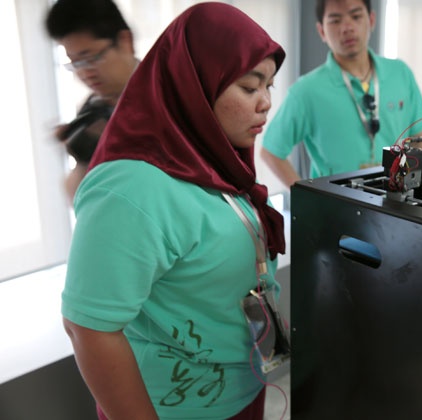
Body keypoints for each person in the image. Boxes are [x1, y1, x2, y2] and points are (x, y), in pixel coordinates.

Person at [60, 3, 286, 419]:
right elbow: (89, 328)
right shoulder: (132, 188)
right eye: (249, 87)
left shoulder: (216, 161)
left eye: (269, 86)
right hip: (174, 407)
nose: (266, 103)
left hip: (241, 389)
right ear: (195, 85)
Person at [261, 0, 422, 188]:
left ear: (371, 20)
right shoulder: (305, 91)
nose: (347, 28)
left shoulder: (400, 74)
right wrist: (306, 196)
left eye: (356, 16)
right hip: (336, 204)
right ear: (322, 31)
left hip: (396, 199)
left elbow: (419, 140)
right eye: (335, 20)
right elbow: (271, 152)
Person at [45, 0, 138, 202]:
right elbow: (77, 197)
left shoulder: (168, 93)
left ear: (125, 41)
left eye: (92, 58)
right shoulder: (94, 109)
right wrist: (81, 157)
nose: (85, 73)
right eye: (75, 63)